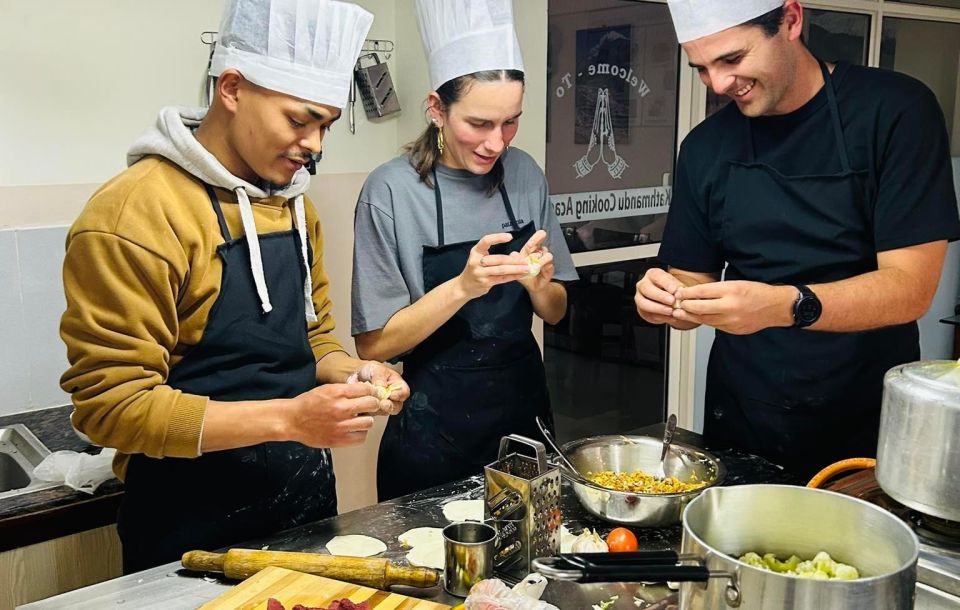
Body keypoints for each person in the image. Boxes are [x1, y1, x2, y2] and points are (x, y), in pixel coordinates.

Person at [59, 0, 409, 573]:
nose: (316, 145)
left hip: (305, 515)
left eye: (325, 124)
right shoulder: (135, 215)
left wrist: (358, 375)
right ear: (232, 88)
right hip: (187, 529)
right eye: (300, 121)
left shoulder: (297, 208)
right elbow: (112, 407)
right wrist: (291, 420)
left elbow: (312, 339)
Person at [635, 0, 960, 479]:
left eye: (732, 59)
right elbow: (690, 274)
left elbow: (911, 288)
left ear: (790, 20)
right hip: (743, 415)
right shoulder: (704, 146)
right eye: (702, 69)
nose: (720, 85)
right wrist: (665, 298)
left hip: (859, 418)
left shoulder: (895, 112)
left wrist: (785, 305)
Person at [351, 0, 578, 501]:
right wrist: (462, 287)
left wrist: (540, 289)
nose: (496, 143)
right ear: (437, 108)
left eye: (511, 122)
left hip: (525, 419)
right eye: (479, 123)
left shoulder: (525, 176)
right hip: (433, 432)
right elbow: (374, 345)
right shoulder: (391, 192)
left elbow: (557, 312)